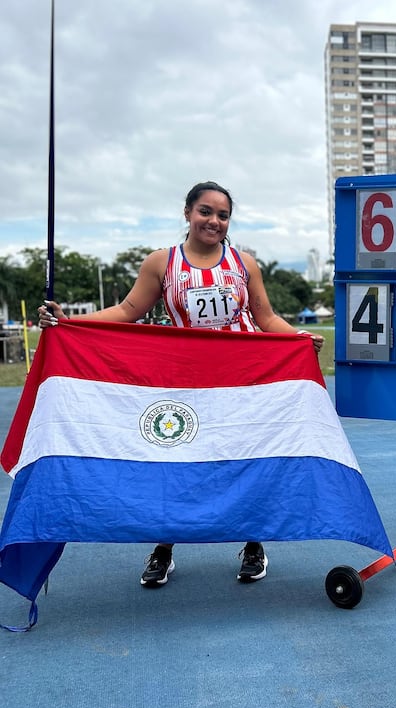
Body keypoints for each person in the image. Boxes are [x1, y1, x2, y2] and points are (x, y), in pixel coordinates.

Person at [38, 181, 324, 588]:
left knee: (244, 458)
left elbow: (266, 318)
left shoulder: (244, 264)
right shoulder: (161, 262)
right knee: (174, 462)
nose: (214, 221)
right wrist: (69, 323)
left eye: (223, 215)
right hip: (184, 381)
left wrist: (298, 338)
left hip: (240, 382)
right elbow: (127, 311)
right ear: (188, 213)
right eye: (206, 211)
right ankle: (163, 547)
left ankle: (253, 542)